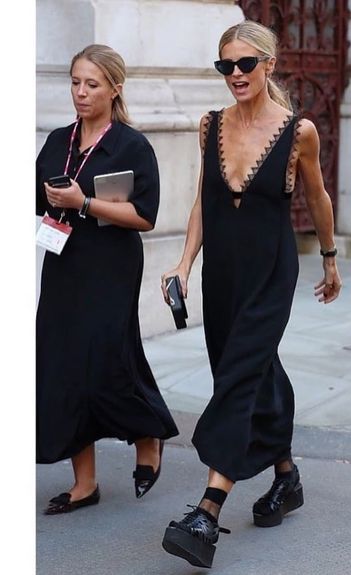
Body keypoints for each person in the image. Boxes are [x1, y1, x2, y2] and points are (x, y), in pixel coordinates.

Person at [159, 20, 342, 568]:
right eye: (225, 66)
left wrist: (330, 259)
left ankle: (207, 513)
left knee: (239, 375)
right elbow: (201, 203)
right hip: (223, 273)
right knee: (250, 371)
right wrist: (184, 264)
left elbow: (319, 197)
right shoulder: (208, 125)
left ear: (268, 65)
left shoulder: (298, 132)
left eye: (244, 64)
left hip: (269, 271)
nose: (235, 75)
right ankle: (286, 477)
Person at [36, 44, 178, 515]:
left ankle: (147, 433)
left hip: (111, 266)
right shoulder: (59, 139)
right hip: (64, 262)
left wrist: (83, 203)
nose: (80, 92)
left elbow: (144, 216)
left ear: (115, 89)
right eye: (75, 82)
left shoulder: (131, 145)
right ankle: (85, 484)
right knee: (64, 364)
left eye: (91, 84)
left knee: (107, 358)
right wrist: (48, 202)